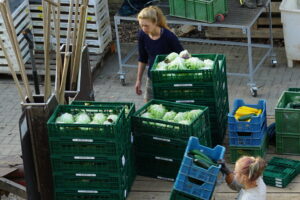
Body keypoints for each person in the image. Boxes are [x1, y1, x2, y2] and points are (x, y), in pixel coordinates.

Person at [135, 6, 184, 102]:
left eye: (146, 25)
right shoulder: (142, 35)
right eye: (142, 25)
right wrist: (138, 80)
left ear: (155, 22)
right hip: (152, 77)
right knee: (148, 105)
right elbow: (142, 58)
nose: (144, 28)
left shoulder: (169, 36)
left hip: (168, 78)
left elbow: (182, 55)